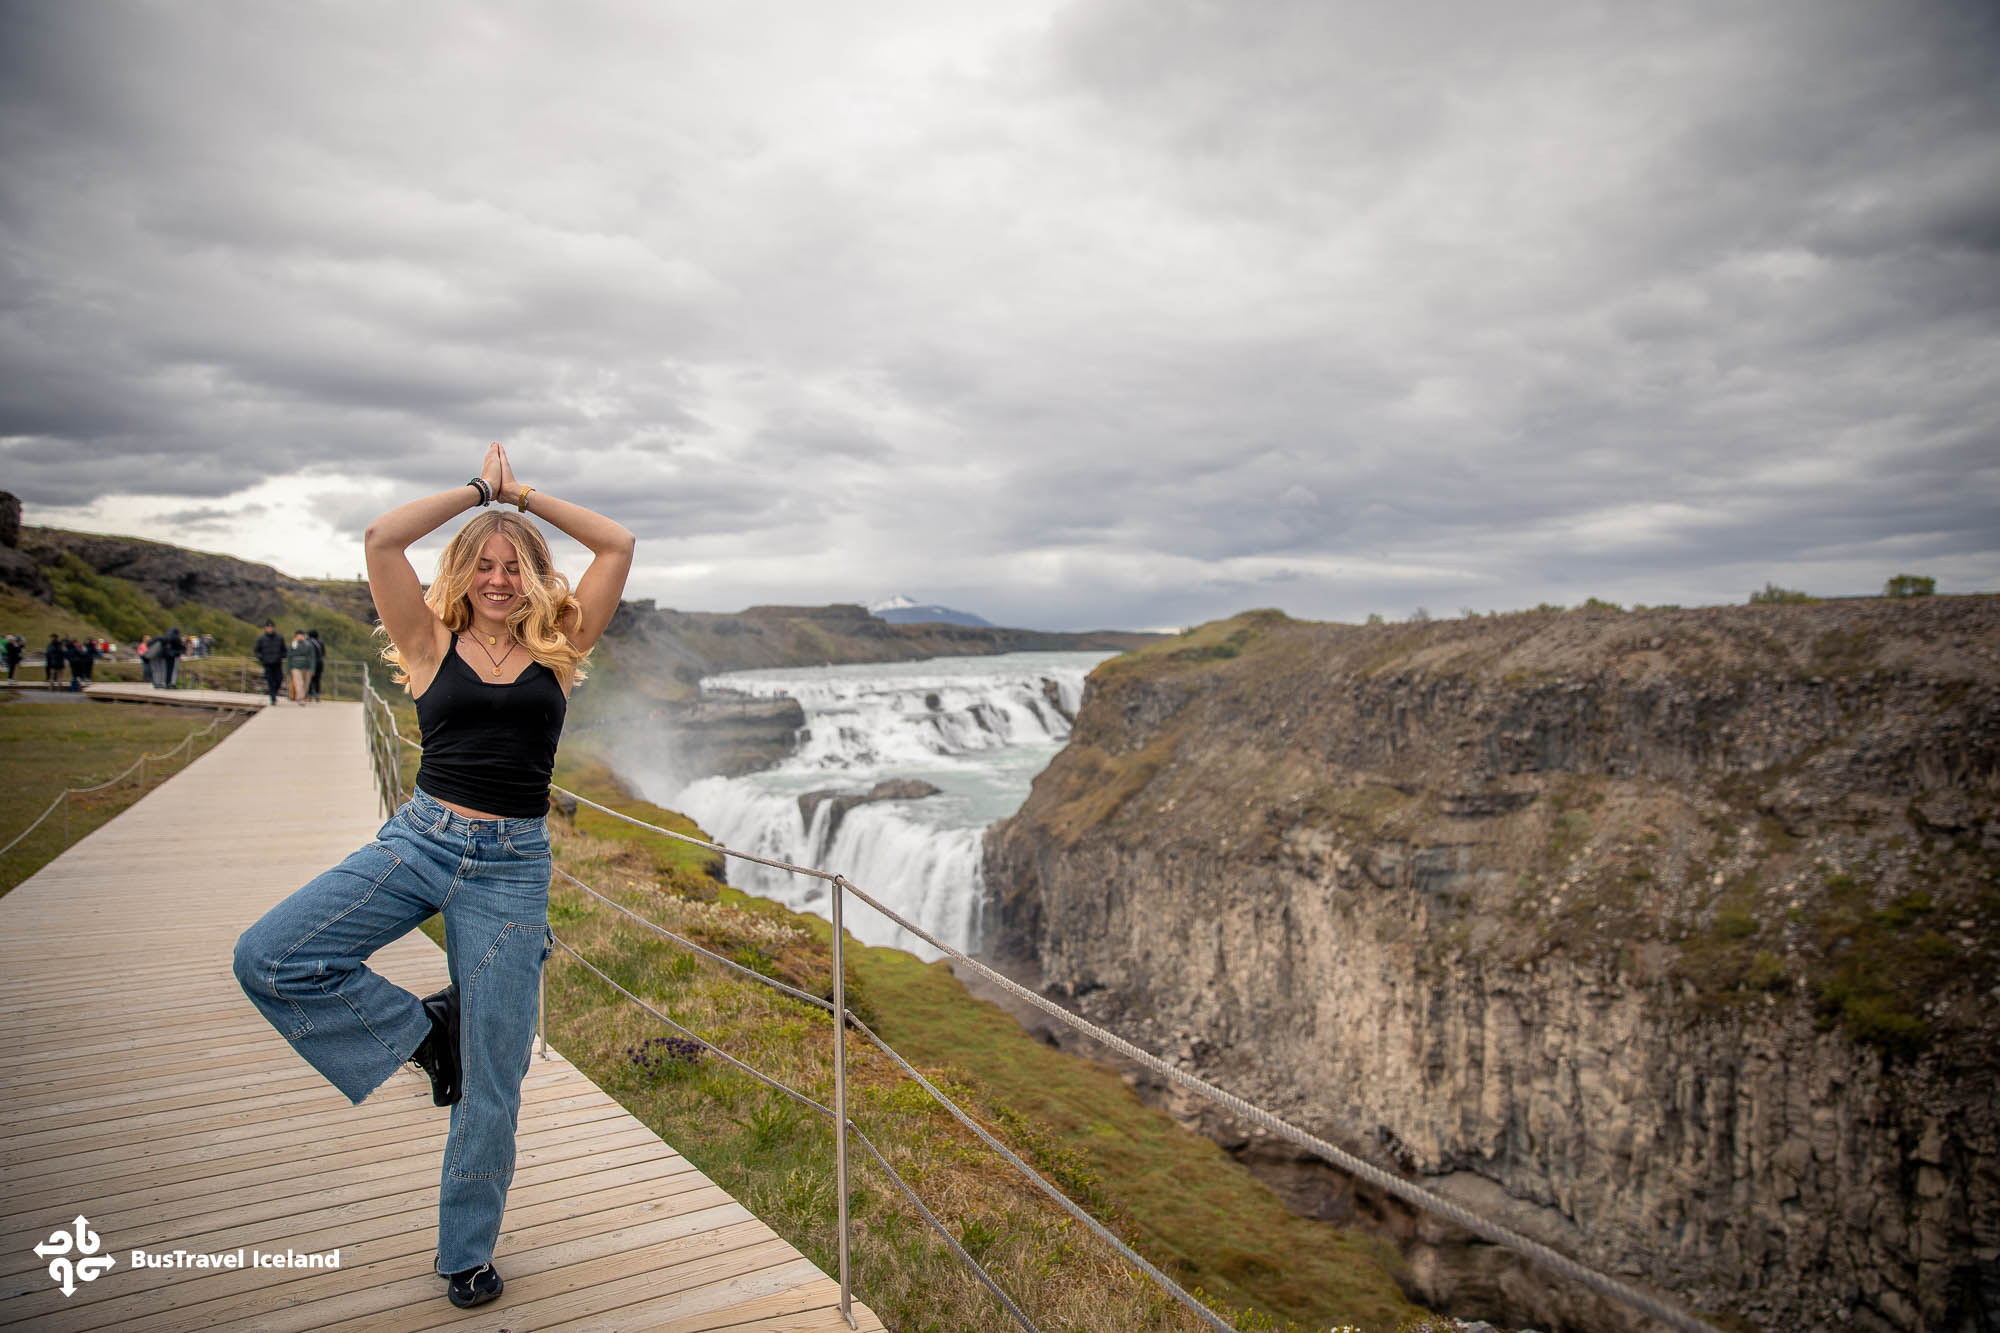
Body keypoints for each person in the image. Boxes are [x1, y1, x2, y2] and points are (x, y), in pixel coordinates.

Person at [233, 443, 633, 1311]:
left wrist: (523, 497)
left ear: (535, 576)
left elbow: (618, 545)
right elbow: (382, 538)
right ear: (461, 570)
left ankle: (467, 1253)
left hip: (512, 871)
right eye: (484, 564)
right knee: (270, 956)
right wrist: (481, 492)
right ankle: (425, 1035)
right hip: (420, 842)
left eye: (514, 566)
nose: (498, 579)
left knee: (494, 1080)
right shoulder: (427, 639)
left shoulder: (561, 646)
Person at [253, 620, 286, 705]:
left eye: (271, 627)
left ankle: (274, 693)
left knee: (279, 679)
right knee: (270, 681)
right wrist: (261, 658)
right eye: (268, 627)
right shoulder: (261, 639)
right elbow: (256, 651)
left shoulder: (280, 638)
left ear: (274, 628)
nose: (269, 629)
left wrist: (281, 656)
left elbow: (284, 650)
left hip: (277, 663)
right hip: (267, 663)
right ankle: (273, 698)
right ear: (265, 628)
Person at [284, 629, 315, 703]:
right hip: (295, 666)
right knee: (298, 682)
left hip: (306, 666)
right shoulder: (293, 645)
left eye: (301, 635)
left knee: (305, 684)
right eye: (298, 636)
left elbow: (312, 657)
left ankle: (303, 696)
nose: (300, 637)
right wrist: (288, 668)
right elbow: (289, 657)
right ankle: (300, 697)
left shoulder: (308, 645)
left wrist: (312, 668)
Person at [306, 628, 326, 702]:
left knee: (310, 679)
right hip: (320, 663)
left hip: (311, 663)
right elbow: (323, 653)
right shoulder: (321, 642)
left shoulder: (308, 642)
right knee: (317, 679)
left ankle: (309, 695)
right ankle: (317, 695)